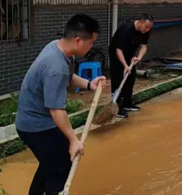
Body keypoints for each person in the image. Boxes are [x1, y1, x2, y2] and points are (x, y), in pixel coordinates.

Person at [15, 14, 106, 195]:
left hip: (37, 121)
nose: (92, 47)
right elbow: (56, 110)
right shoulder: (55, 66)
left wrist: (89, 84)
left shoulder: (58, 48)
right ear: (78, 41)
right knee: (61, 166)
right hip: (36, 126)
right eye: (91, 42)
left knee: (51, 162)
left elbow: (68, 76)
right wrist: (73, 140)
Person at [108, 14, 154, 118]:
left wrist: (139, 57)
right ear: (140, 22)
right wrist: (125, 65)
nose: (147, 30)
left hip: (130, 55)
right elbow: (118, 50)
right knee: (118, 79)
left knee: (131, 78)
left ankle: (127, 103)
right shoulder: (126, 29)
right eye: (146, 27)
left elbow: (144, 46)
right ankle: (117, 106)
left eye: (149, 28)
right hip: (117, 56)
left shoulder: (145, 31)